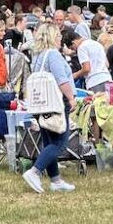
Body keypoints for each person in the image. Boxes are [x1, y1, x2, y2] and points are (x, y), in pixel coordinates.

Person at [20, 23, 76, 194]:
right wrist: (71, 98)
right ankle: (35, 171)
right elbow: (62, 80)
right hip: (56, 103)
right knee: (60, 143)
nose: (61, 39)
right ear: (52, 37)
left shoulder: (38, 56)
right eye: (58, 36)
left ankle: (55, 179)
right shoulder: (54, 55)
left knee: (49, 142)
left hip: (42, 104)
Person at [67, 30, 109, 94]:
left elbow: (86, 69)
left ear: (73, 43)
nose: (74, 51)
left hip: (95, 82)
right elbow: (107, 64)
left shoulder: (81, 47)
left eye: (72, 48)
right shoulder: (97, 43)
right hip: (107, 78)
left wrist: (75, 75)